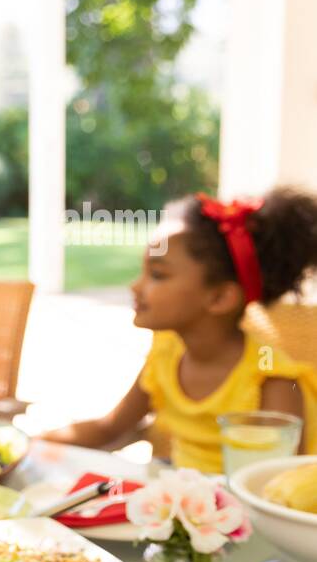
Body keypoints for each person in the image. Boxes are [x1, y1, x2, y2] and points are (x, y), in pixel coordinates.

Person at [44, 189, 317, 471]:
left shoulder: (271, 379)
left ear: (219, 298)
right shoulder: (166, 352)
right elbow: (109, 428)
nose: (135, 286)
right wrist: (29, 444)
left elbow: (277, 486)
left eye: (158, 275)